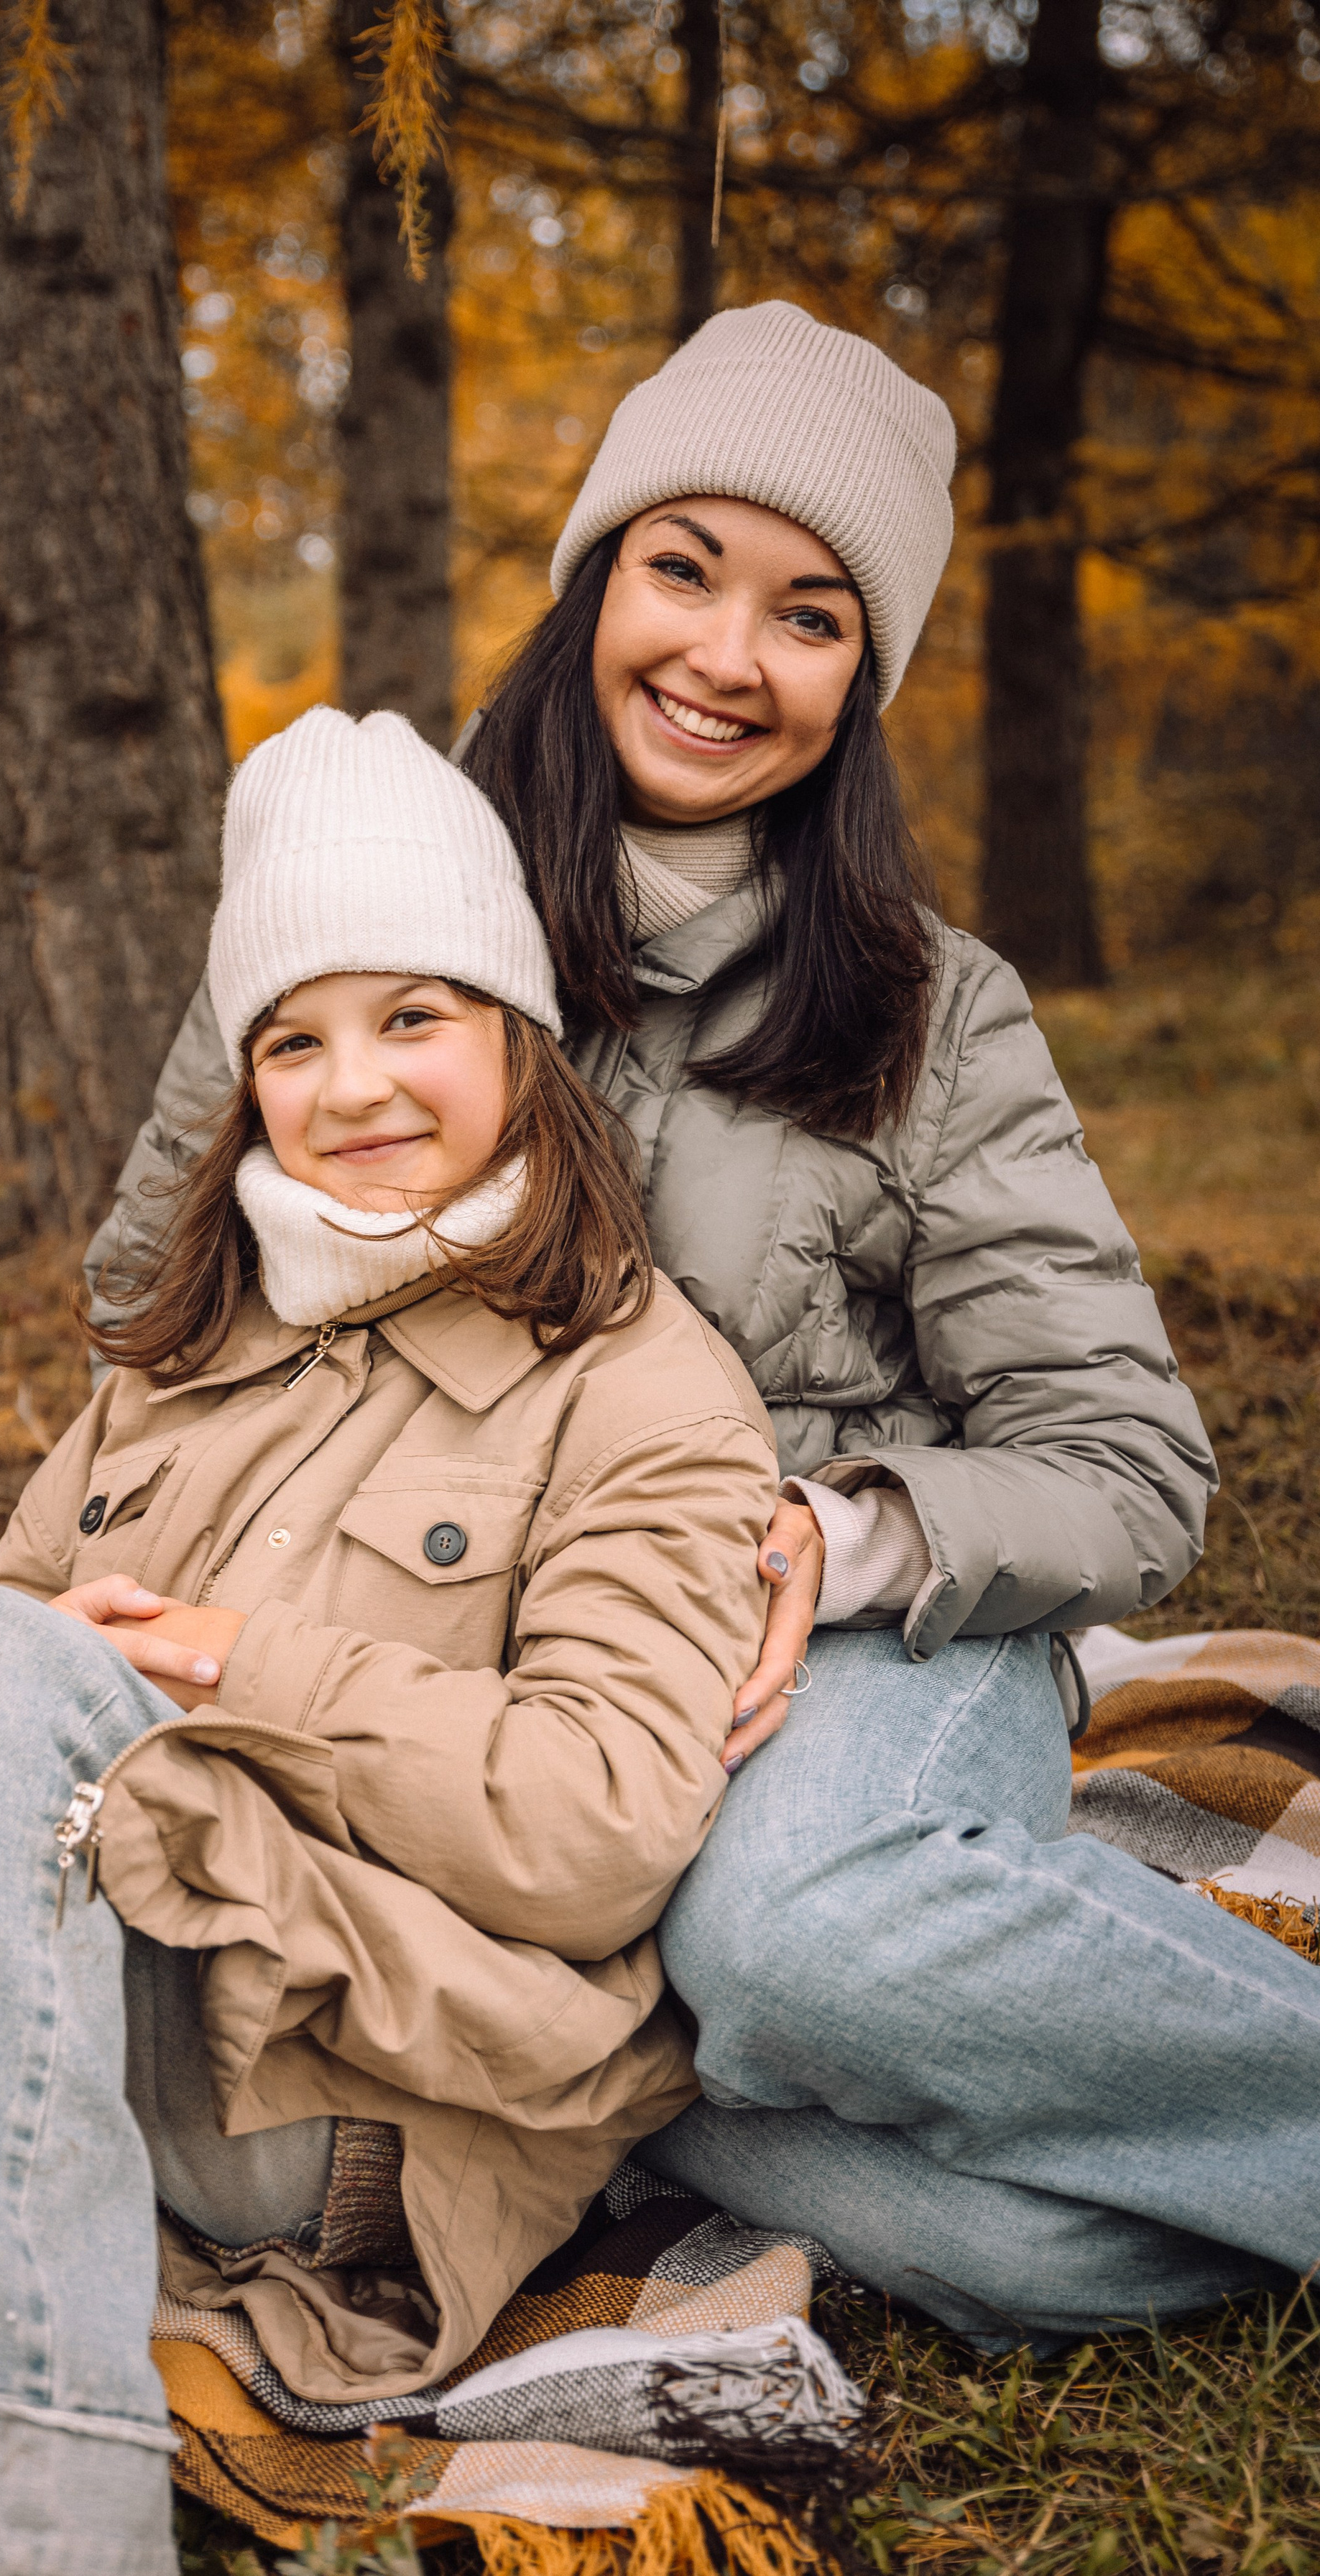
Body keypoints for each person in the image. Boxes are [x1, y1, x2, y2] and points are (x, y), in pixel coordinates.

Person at [85, 303, 1320, 2343]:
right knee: (1033, 2254)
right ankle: (654, 2111)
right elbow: (156, 1312)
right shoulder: (373, 905)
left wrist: (835, 1535)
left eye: (811, 613)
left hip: (824, 1664)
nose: (729, 657)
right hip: (472, 1661)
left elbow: (1128, 1469)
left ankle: (798, 2019)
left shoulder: (931, 1012)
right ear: (594, 584)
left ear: (867, 671)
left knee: (785, 1932)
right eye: (682, 569)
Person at [0, 708, 782, 2575]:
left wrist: (242, 1665)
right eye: (294, 1040)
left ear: (521, 1038)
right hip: (93, 1944)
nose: (355, 1088)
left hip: (347, 2081)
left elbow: (603, 1834)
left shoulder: (642, 1385)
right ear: (246, 1078)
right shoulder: (195, 1349)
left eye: (413, 1017)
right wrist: (13, 1697)